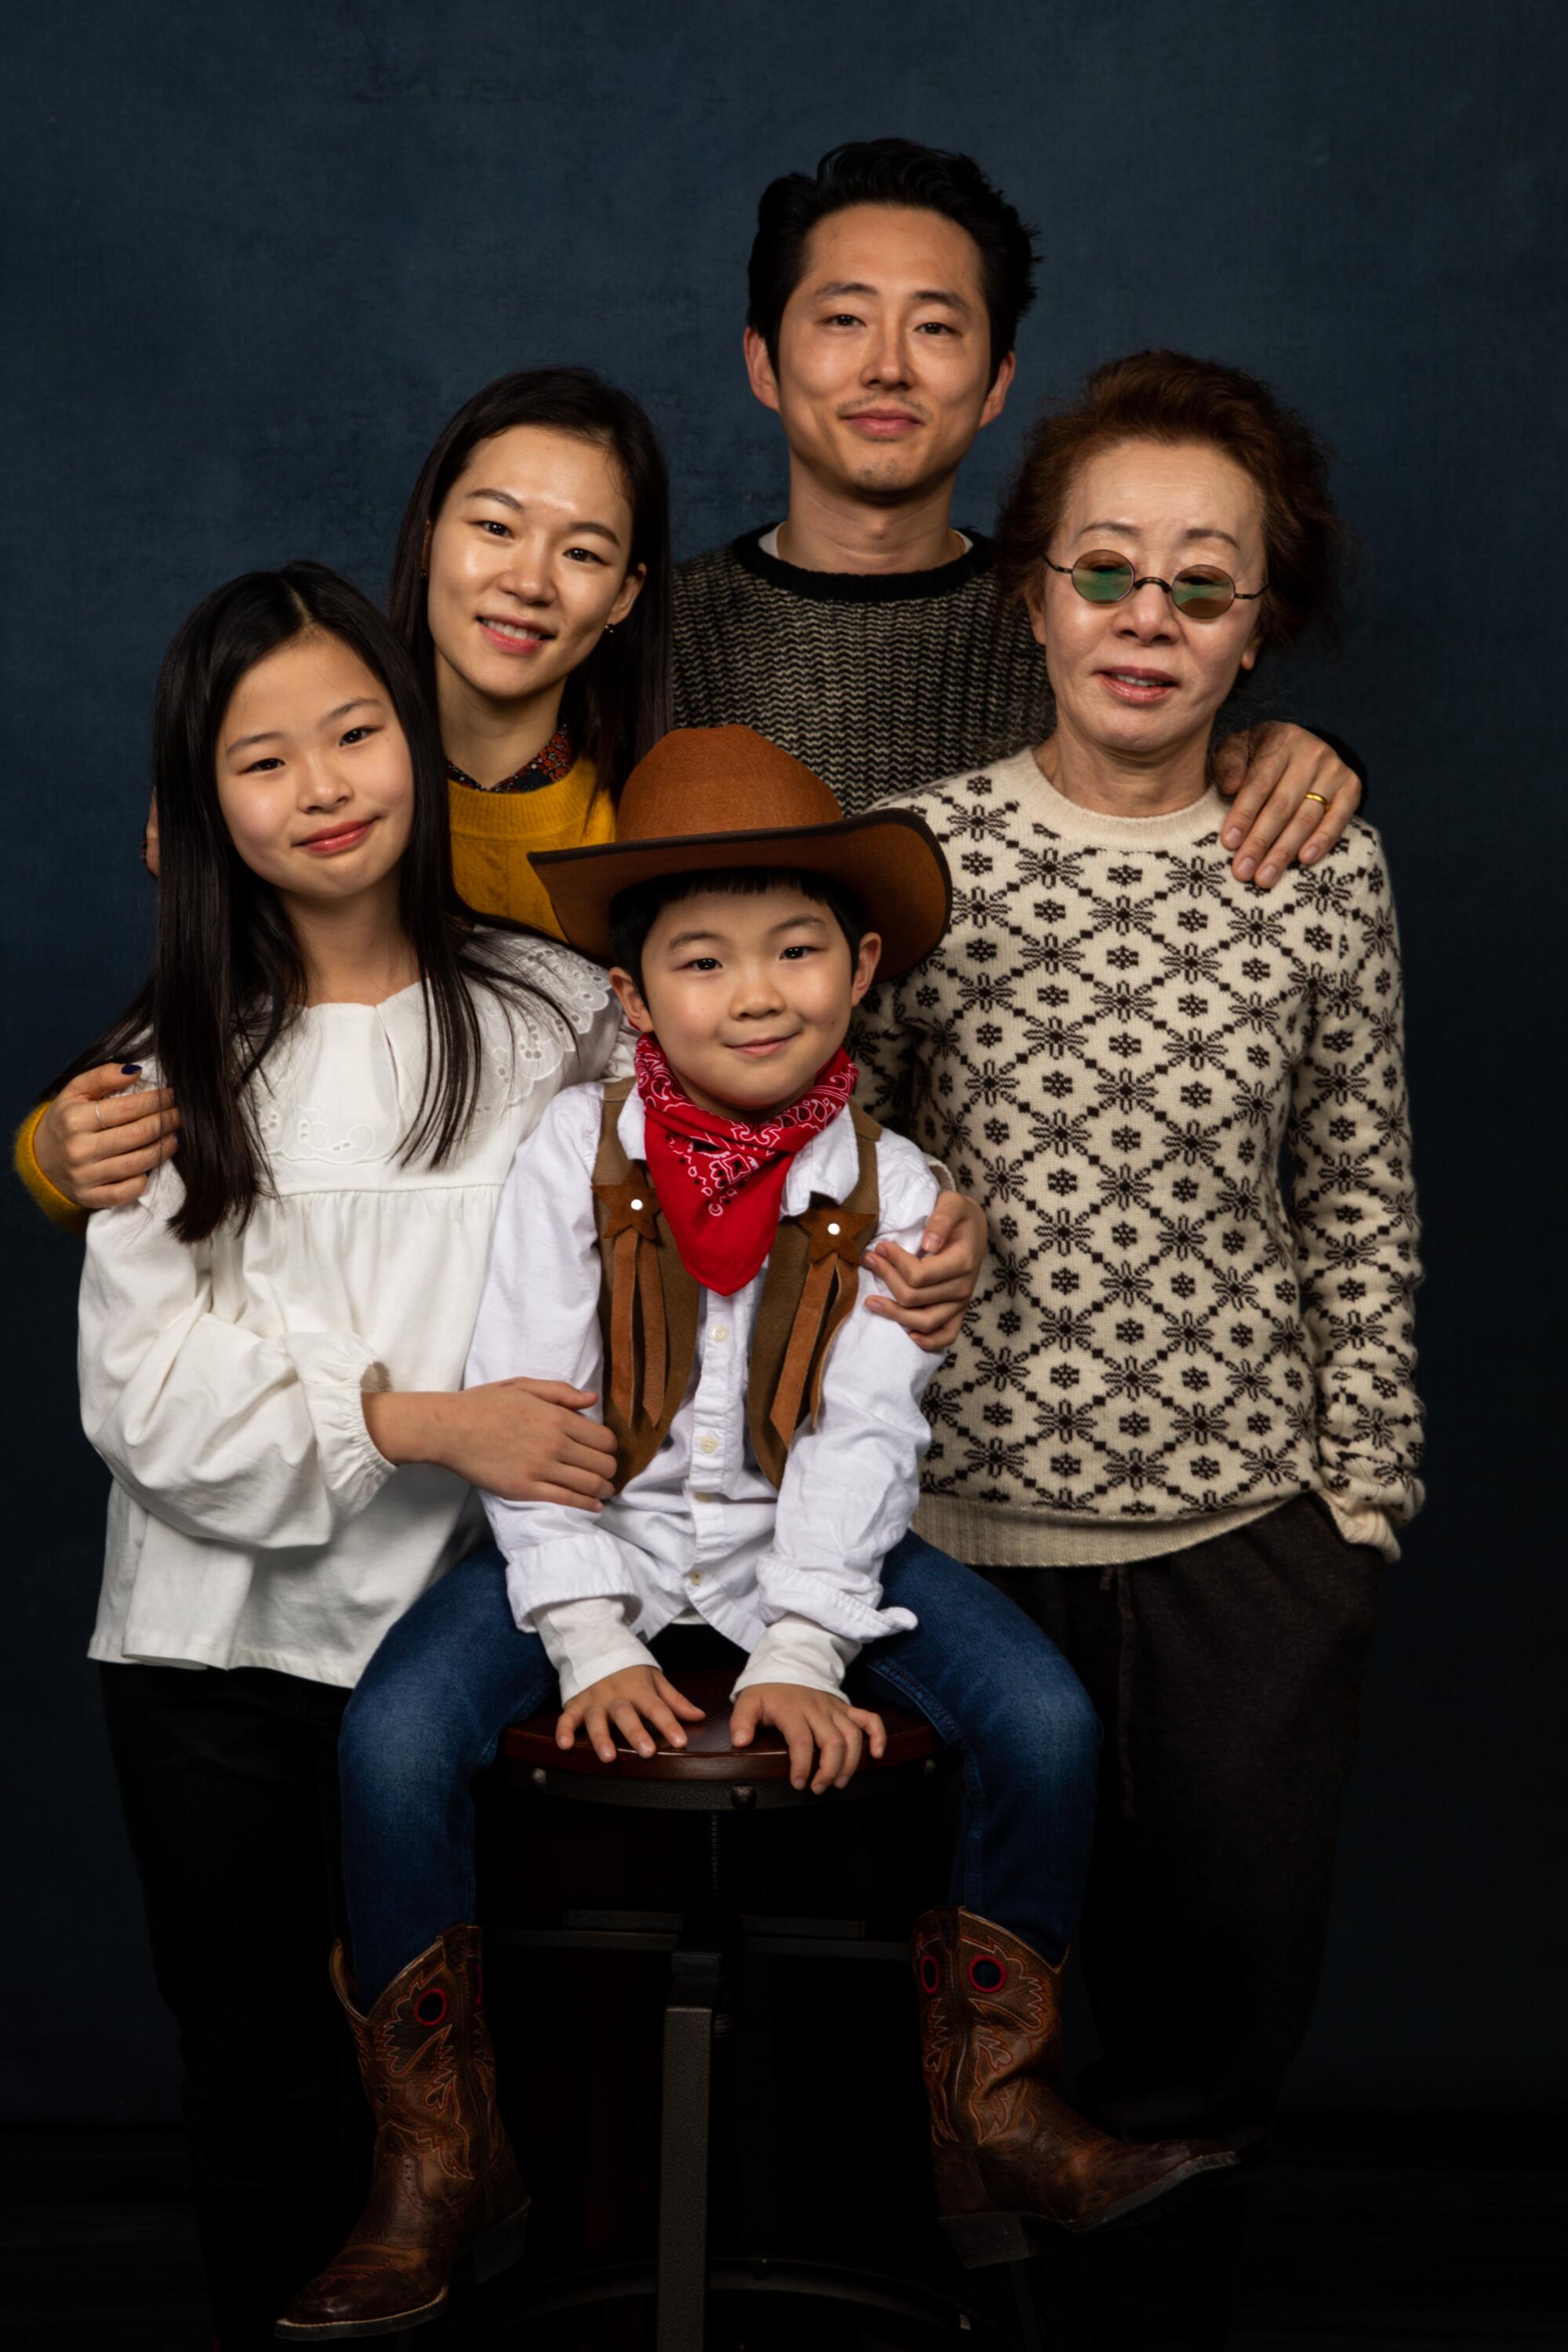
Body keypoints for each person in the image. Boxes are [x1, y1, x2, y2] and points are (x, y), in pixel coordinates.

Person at [279, 723, 1235, 2339]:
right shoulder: (564, 1160)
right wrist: (582, 1639)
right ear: (635, 998)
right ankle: (439, 2160)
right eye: (704, 960)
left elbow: (867, 1435)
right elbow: (532, 1414)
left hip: (814, 1547)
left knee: (1045, 1723)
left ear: (861, 969)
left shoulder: (900, 1189)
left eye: (798, 949)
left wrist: (803, 1646)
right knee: (388, 1744)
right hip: (594, 1537)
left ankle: (989, 2114)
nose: (758, 991)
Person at [851, 352, 1424, 2183]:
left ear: (1254, 632)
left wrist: (1355, 1507)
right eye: (1104, 569)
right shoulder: (915, 856)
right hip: (942, 1541)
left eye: (1200, 583)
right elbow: (811, 1166)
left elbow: (1354, 1194)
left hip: (1238, 1548)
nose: (1145, 617)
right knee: (933, 2036)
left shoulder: (1319, 864)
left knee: (1202, 2044)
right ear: (1029, 588)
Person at [70, 562, 633, 2350]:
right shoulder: (165, 1068)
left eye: (356, 730)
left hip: (474, 1633)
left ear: (418, 742)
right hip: (210, 1654)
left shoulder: (556, 1018)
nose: (322, 785)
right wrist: (412, 1414)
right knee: (260, 2068)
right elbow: (146, 1395)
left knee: (475, 2074)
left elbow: (666, 1260)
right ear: (192, 818)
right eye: (262, 759)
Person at [24, 363, 987, 1356]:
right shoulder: (311, 804)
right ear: (429, 531)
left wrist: (918, 1205)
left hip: (587, 1372)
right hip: (327, 1357)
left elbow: (770, 1069)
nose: (527, 581)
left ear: (622, 596)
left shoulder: (654, 835)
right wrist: (58, 1150)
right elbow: (197, 1029)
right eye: (494, 526)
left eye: (581, 551)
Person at [673, 136, 1366, 859]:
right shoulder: (659, 632)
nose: (887, 367)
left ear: (997, 383)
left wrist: (1301, 761)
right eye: (845, 319)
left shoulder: (1082, 608)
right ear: (763, 362)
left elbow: (1184, 776)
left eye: (935, 327)